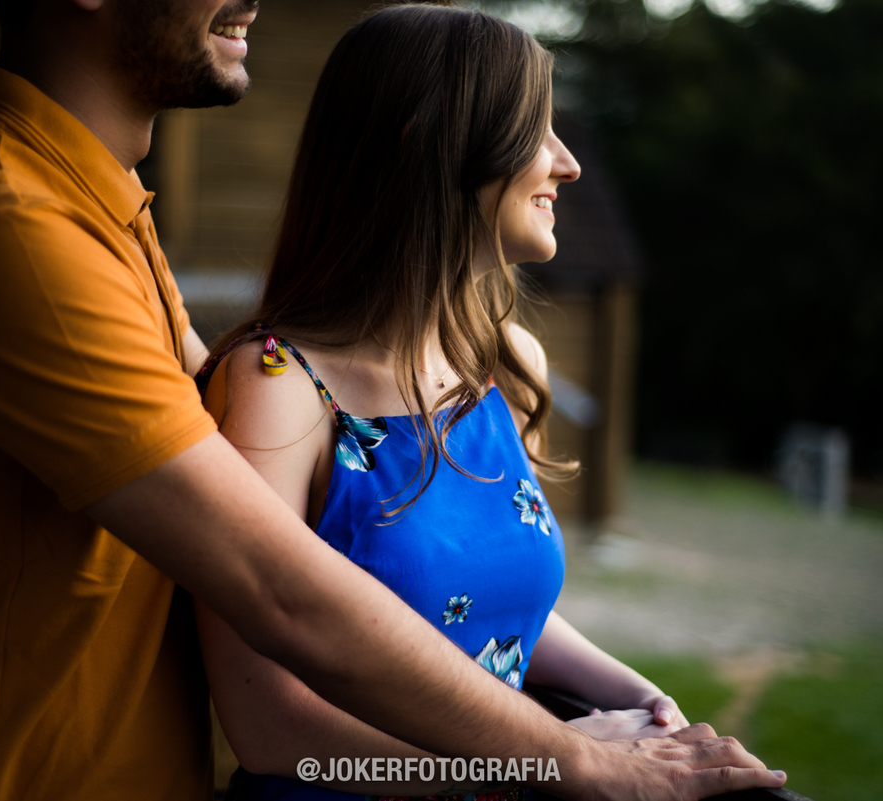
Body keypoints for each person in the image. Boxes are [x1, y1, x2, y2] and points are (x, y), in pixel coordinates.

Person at [0, 0, 787, 799]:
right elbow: (281, 590)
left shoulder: (98, 208)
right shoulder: (12, 227)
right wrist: (571, 760)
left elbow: (376, 558)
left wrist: (628, 702)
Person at [195, 6, 776, 800]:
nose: (567, 163)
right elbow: (270, 731)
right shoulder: (279, 388)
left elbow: (474, 605)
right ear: (429, 144)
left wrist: (638, 696)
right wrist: (549, 760)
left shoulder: (502, 365)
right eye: (534, 130)